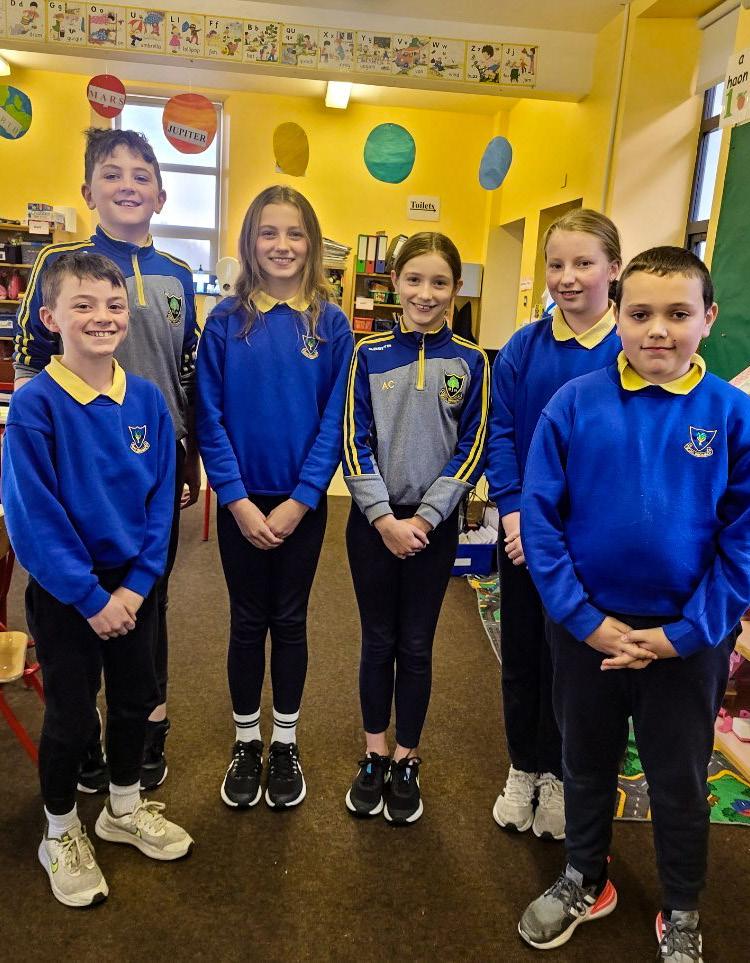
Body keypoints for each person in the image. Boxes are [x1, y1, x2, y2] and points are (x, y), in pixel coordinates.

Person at [518, 247, 750, 960]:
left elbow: (744, 541)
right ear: (618, 315)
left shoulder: (732, 414)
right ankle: (586, 877)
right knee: (584, 761)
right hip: (588, 630)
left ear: (708, 318)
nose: (658, 329)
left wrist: (687, 633)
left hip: (687, 641)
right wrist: (585, 620)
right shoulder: (574, 403)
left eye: (678, 313)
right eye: (641, 313)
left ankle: (681, 905)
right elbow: (541, 521)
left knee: (679, 778)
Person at [1, 252, 193, 908]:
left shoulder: (146, 400)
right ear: (50, 318)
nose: (102, 317)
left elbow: (160, 503)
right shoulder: (36, 405)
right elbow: (33, 517)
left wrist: (136, 587)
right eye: (82, 305)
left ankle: (123, 806)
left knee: (137, 699)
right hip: (67, 593)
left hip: (133, 586)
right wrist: (90, 597)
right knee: (72, 713)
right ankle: (59, 830)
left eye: (113, 305)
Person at [13, 127, 200, 792]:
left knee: (150, 598)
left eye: (142, 175)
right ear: (87, 191)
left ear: (161, 194)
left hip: (152, 461)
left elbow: (187, 372)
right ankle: (81, 731)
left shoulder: (178, 275)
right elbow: (30, 358)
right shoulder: (60, 263)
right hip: (75, 467)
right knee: (72, 603)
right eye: (112, 174)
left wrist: (187, 454)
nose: (128, 185)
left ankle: (146, 727)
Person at [196, 185, 353, 810]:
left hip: (300, 504)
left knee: (289, 621)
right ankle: (246, 741)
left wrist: (303, 498)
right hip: (241, 501)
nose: (282, 245)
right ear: (250, 242)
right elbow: (208, 416)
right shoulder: (225, 321)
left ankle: (284, 741)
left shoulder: (331, 323)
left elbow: (335, 419)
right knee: (245, 621)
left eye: (294, 233)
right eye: (269, 232)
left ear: (310, 243)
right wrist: (235, 500)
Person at [485, 209, 622, 842]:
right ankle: (524, 767)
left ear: (613, 269)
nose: (567, 277)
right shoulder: (524, 346)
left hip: (593, 547)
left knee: (578, 666)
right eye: (556, 264)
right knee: (523, 658)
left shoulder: (630, 348)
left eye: (583, 263)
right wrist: (513, 512)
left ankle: (563, 776)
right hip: (523, 536)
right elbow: (502, 434)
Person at [343, 232, 489, 824]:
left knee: (417, 645)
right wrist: (383, 518)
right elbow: (353, 440)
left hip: (434, 529)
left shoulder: (473, 361)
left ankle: (407, 758)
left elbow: (473, 446)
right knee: (378, 641)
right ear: (395, 283)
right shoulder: (367, 354)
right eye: (414, 279)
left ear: (456, 288)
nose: (425, 293)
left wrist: (426, 517)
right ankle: (375, 753)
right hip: (372, 526)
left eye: (439, 282)